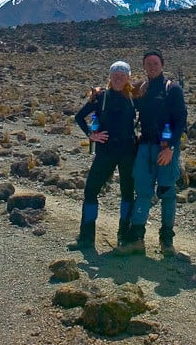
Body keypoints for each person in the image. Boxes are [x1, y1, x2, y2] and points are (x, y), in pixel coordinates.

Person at [115, 48, 187, 257]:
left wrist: (171, 148)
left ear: (162, 65)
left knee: (167, 193)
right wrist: (97, 92)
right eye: (148, 64)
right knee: (144, 192)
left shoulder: (172, 89)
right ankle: (137, 238)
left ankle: (167, 241)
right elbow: (118, 92)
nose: (152, 67)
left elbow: (181, 121)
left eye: (155, 63)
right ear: (144, 67)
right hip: (145, 147)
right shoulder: (141, 89)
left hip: (165, 149)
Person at [68, 61, 137, 251]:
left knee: (127, 194)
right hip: (105, 151)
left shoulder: (134, 97)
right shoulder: (101, 97)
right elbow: (79, 116)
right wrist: (91, 134)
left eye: (122, 75)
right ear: (110, 76)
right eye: (115, 75)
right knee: (90, 190)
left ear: (128, 77)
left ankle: (124, 237)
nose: (118, 78)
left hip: (127, 152)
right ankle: (86, 238)